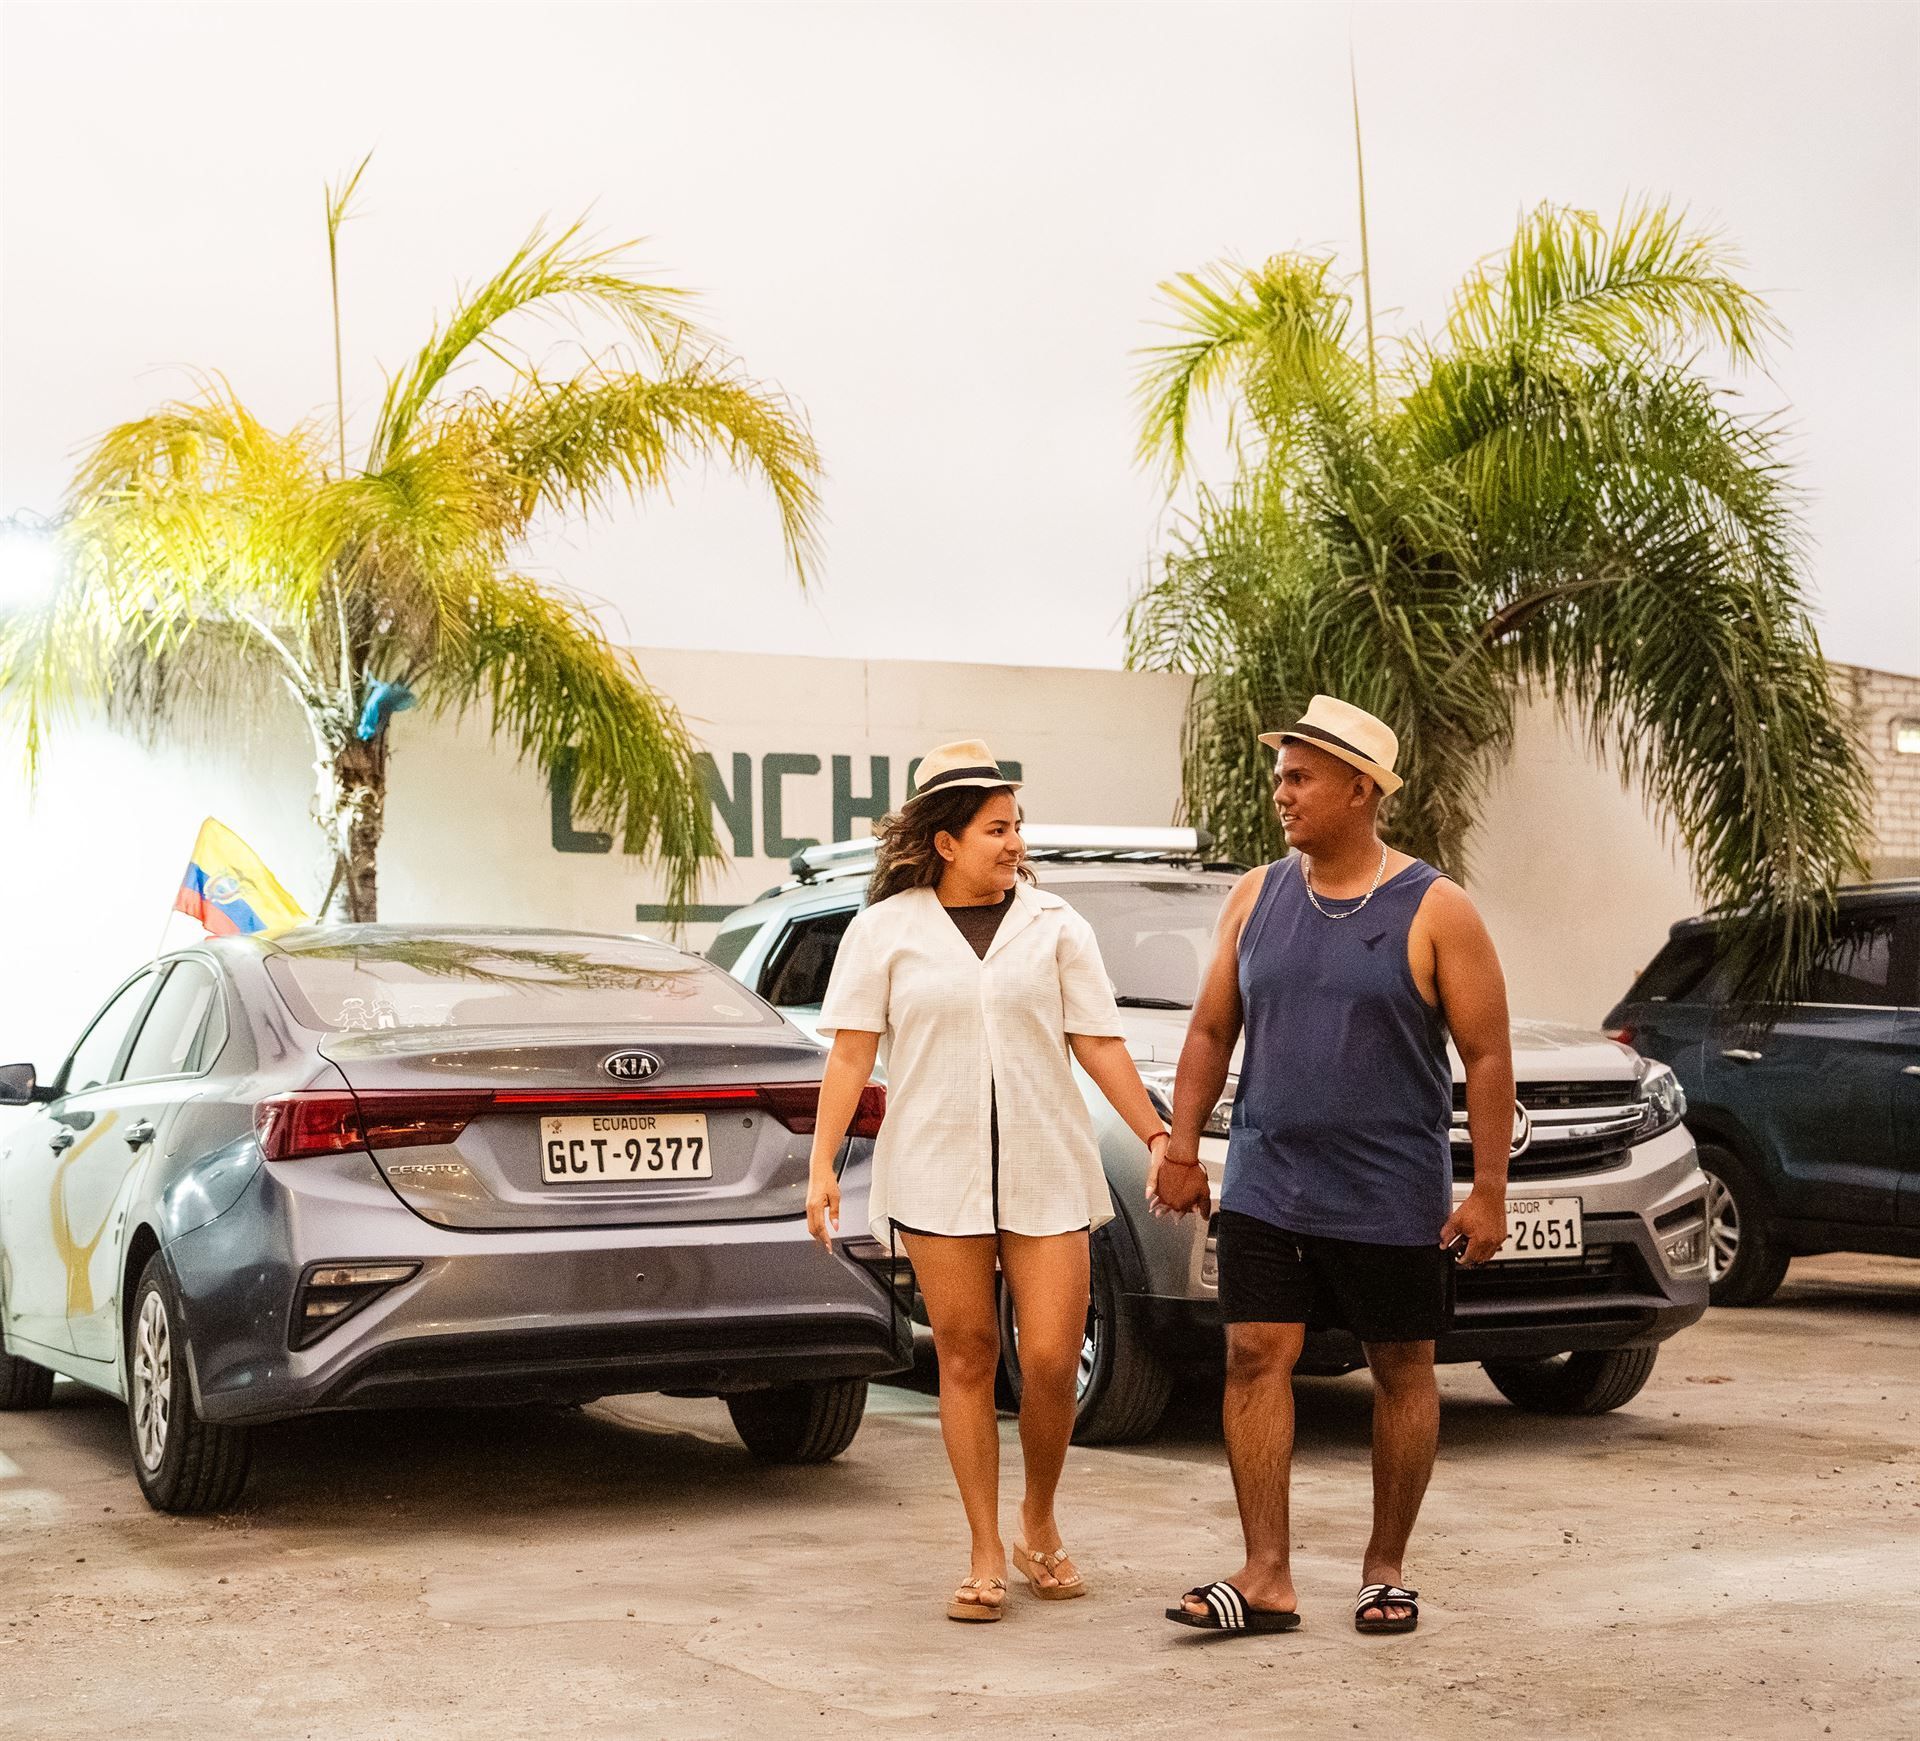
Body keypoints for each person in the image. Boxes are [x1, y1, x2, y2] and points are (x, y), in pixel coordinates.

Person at [1150, 695, 1515, 1637]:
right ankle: (1265, 1574)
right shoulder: (1256, 895)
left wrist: (1486, 1191)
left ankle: (1384, 1566)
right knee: (1252, 1352)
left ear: (1361, 790)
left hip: (1391, 1187)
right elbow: (1208, 1029)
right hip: (1271, 1175)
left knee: (1400, 1366)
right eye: (1282, 773)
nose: (1282, 790)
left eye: (1300, 775)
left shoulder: (1436, 907)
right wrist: (1183, 1146)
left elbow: (1486, 1055)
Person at [804, 740, 1171, 1623]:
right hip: (935, 1167)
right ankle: (982, 1544)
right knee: (967, 1355)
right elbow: (852, 1052)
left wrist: (1158, 1135)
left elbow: (1098, 1040)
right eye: (996, 828)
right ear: (945, 840)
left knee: (1048, 1360)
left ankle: (1037, 1513)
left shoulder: (1054, 925)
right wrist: (820, 1166)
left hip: (1047, 1161)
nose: (1013, 843)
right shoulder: (884, 931)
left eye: (1017, 828)